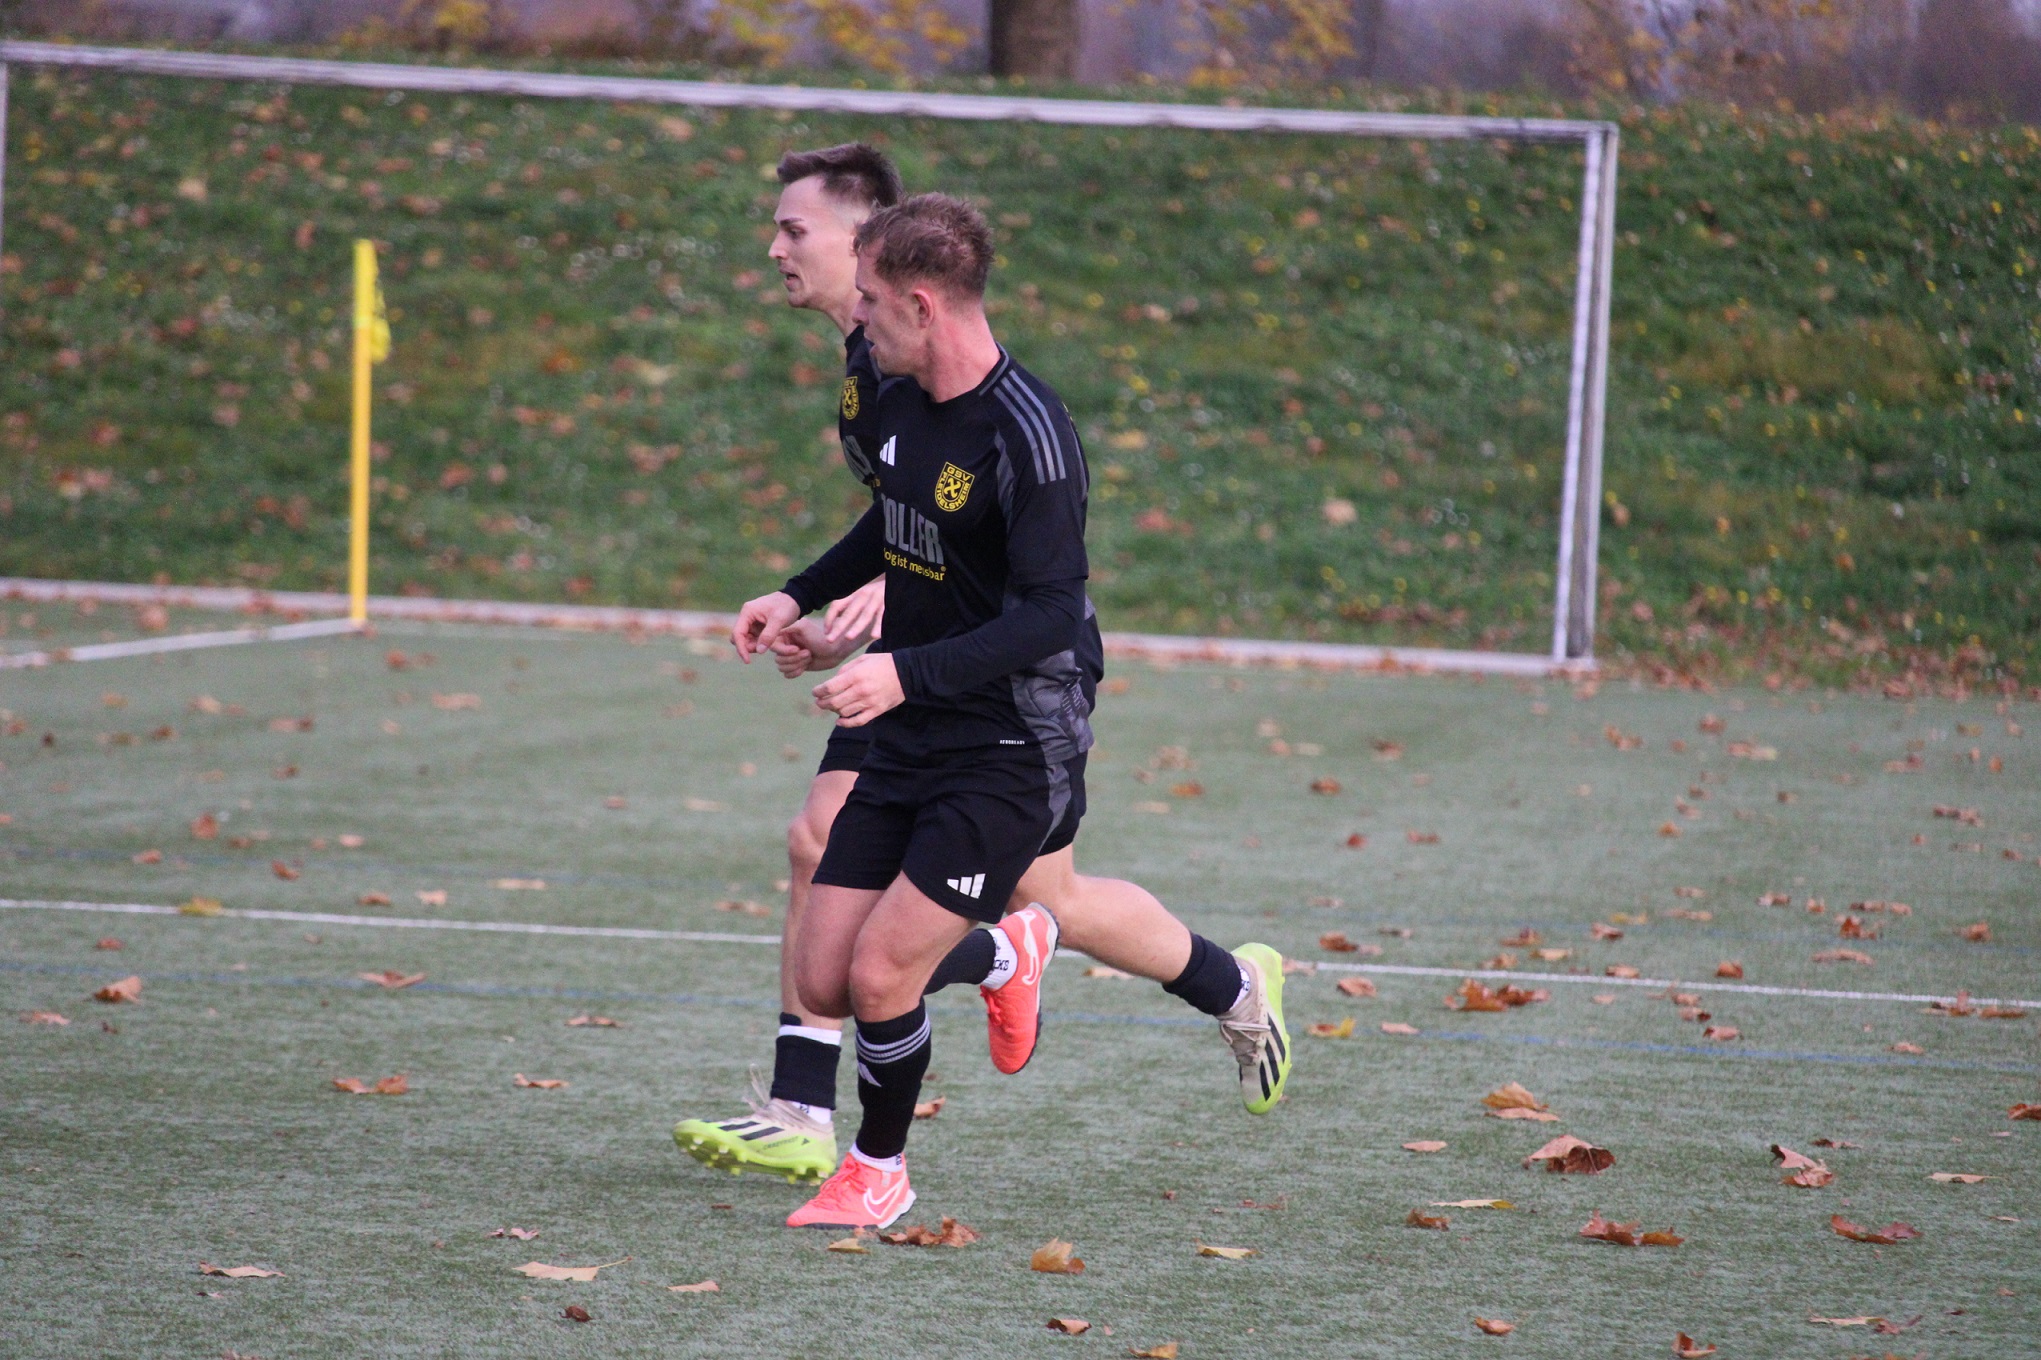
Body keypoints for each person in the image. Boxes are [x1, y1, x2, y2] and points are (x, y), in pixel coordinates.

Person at [729, 194, 1292, 1231]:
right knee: (827, 975)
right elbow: (892, 516)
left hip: (1011, 734)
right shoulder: (896, 393)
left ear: (922, 305)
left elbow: (1046, 615)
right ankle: (1006, 953)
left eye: (870, 301)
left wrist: (903, 673)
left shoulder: (1030, 435)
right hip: (916, 720)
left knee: (882, 970)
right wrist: (796, 593)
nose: (858, 319)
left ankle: (877, 1169)